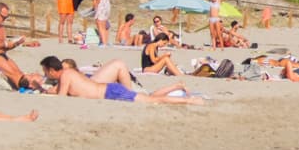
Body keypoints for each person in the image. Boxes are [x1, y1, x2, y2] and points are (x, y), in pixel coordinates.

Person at [40, 57, 201, 104]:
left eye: (46, 72)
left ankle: (190, 101)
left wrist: (43, 93)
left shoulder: (66, 75)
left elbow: (61, 97)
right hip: (109, 90)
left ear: (52, 70)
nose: (46, 75)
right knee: (150, 98)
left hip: (111, 92)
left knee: (152, 100)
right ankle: (183, 95)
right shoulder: (69, 74)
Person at [0, 4, 43, 90]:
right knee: (14, 75)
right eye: (3, 17)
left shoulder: (0, 27)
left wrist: (16, 43)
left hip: (2, 55)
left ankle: (31, 84)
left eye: (6, 17)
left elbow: (5, 46)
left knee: (19, 72)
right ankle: (27, 88)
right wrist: (5, 44)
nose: (4, 19)